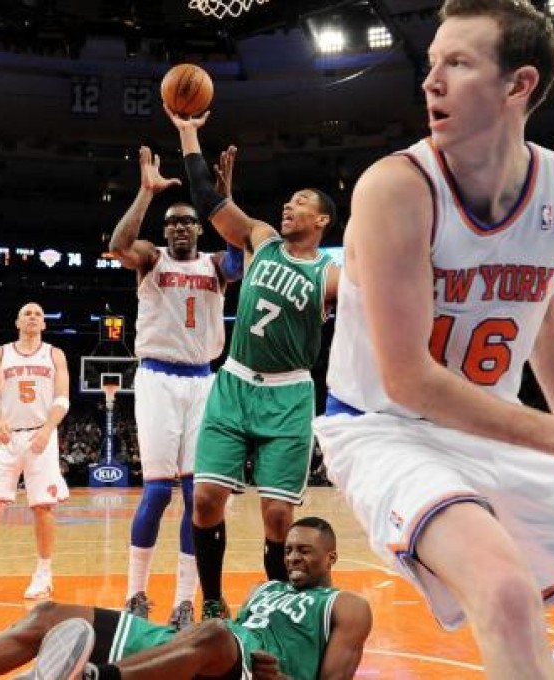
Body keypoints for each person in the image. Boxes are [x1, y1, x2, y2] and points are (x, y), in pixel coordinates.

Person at [313, 2, 554, 678]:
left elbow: (539, 307)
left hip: (494, 430)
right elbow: (408, 379)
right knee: (506, 591)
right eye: (432, 64)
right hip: (385, 428)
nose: (431, 82)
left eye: (458, 64)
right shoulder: (395, 188)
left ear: (519, 85)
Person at [162, 109, 340, 620]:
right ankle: (214, 602)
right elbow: (209, 201)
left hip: (288, 395)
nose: (289, 206)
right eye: (288, 201)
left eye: (301, 203)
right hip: (236, 382)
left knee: (279, 517)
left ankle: (280, 613)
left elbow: (376, 309)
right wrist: (188, 131)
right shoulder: (261, 239)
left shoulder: (330, 275)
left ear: (322, 220)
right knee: (204, 502)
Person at [0, 517, 372, 680]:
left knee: (212, 631)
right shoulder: (265, 589)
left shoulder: (347, 605)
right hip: (207, 647)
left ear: (332, 558)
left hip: (245, 666)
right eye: (290, 551)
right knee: (50, 614)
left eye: (306, 552)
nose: (294, 558)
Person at [108, 145, 243, 629]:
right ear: (164, 231)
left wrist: (226, 201)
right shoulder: (151, 258)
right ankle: (136, 593)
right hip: (159, 380)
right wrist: (145, 194)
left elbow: (242, 260)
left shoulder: (216, 265)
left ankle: (186, 598)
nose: (180, 227)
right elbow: (121, 245)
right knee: (157, 493)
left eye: (188, 221)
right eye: (173, 222)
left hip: (204, 381)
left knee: (197, 495)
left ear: (200, 228)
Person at [0, 302, 70, 601]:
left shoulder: (54, 354)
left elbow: (62, 398)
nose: (33, 317)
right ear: (17, 322)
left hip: (40, 436)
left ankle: (44, 573)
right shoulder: (1, 353)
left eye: (38, 314)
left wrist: (48, 429)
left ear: (44, 324)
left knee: (43, 507)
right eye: (27, 313)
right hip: (7, 437)